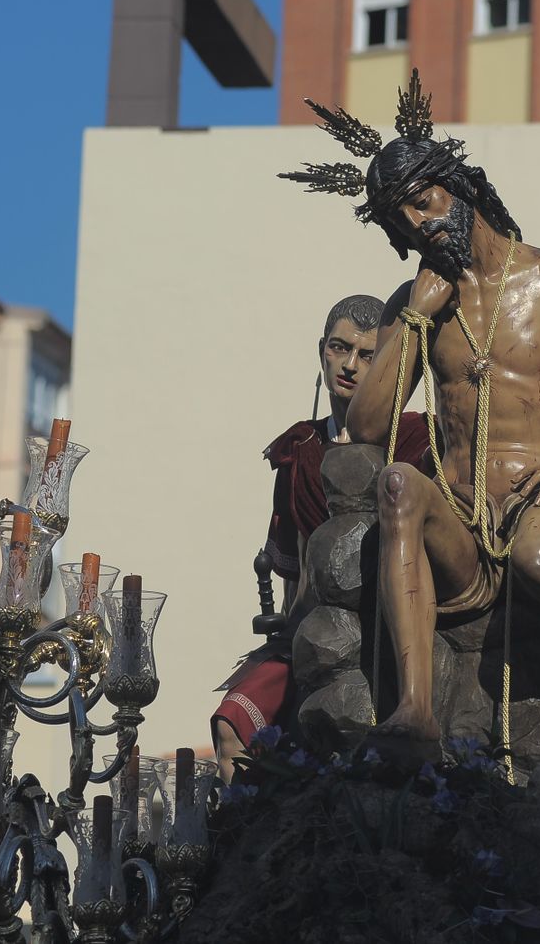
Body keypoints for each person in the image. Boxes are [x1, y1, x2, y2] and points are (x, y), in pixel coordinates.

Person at [280, 71, 540, 756]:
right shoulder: (421, 302)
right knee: (399, 484)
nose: (418, 224)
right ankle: (416, 710)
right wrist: (414, 314)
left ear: (457, 185)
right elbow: (370, 426)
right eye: (399, 219)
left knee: (539, 553)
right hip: (463, 518)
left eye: (422, 202)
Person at [211, 294, 429, 780]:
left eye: (368, 354)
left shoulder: (416, 441)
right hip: (309, 633)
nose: (350, 365)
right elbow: (294, 573)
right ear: (322, 352)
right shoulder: (298, 451)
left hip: (396, 628)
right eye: (340, 348)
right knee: (233, 726)